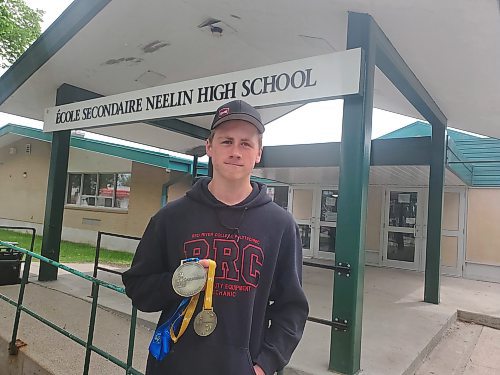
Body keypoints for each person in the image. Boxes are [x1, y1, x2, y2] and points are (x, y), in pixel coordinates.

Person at [122, 99, 309, 375]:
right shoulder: (170, 218)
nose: (235, 151)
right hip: (173, 367)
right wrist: (178, 283)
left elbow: (292, 307)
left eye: (246, 143)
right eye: (226, 141)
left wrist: (263, 365)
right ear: (209, 146)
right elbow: (139, 291)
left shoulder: (280, 225)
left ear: (259, 153)